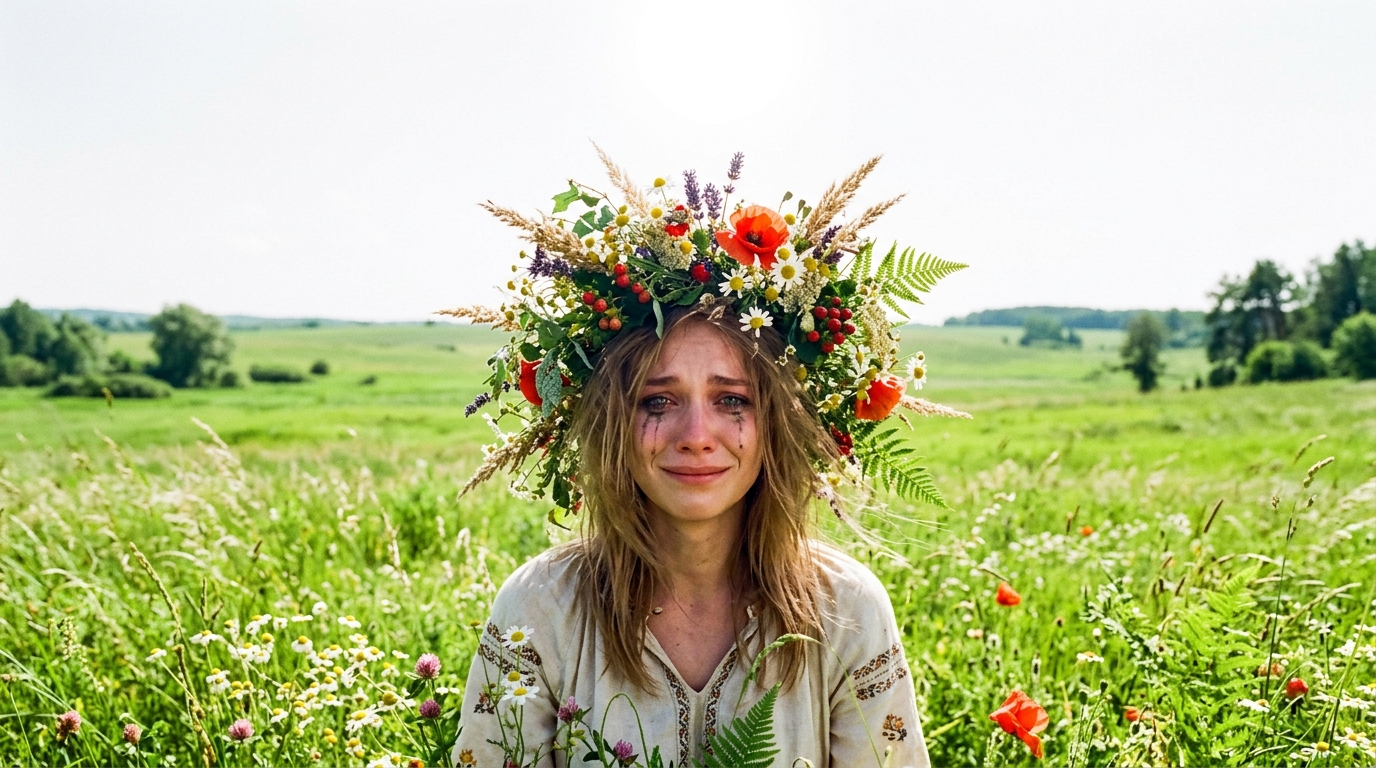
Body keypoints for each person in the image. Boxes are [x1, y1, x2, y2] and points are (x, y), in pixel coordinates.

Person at [451, 306, 930, 767]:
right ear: (613, 422)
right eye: (658, 401)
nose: (696, 435)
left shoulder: (845, 608)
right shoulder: (542, 606)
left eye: (731, 400)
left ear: (775, 421)